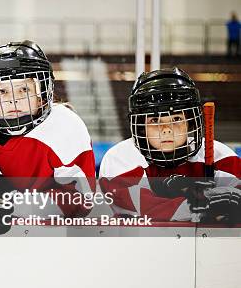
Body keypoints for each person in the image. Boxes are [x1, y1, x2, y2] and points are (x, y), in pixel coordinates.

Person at [0, 40, 96, 233]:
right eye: (3, 91)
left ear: (41, 94)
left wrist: (14, 204)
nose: (14, 100)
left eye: (24, 89)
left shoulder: (66, 127)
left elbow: (79, 200)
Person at [99, 68, 240, 222]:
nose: (166, 129)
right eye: (154, 120)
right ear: (141, 126)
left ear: (190, 122)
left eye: (176, 118)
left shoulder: (221, 157)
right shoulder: (121, 158)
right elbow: (141, 206)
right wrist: (202, 206)